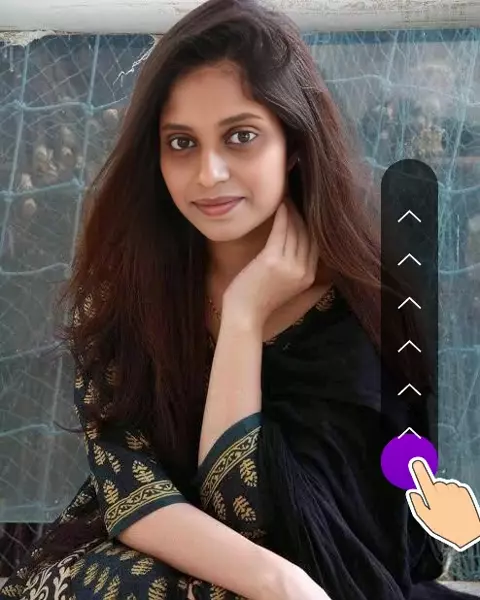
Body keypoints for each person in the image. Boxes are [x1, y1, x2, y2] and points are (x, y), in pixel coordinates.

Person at [1, 0, 477, 598]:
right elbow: (132, 495)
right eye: (181, 143)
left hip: (319, 565)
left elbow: (246, 514)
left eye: (241, 136)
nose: (209, 173)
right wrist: (281, 583)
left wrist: (243, 319)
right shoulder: (124, 294)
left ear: (294, 145)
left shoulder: (358, 313)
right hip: (152, 554)